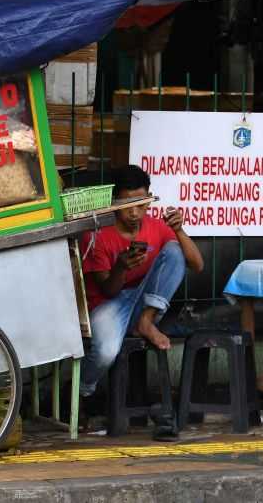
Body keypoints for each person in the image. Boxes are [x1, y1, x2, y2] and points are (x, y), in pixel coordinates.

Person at [79, 164, 204, 400]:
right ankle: (81, 393)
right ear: (115, 202)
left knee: (175, 251)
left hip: (146, 306)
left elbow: (197, 265)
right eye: (127, 205)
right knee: (106, 353)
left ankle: (145, 322)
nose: (134, 213)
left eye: (140, 204)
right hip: (109, 306)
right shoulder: (97, 235)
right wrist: (121, 267)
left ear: (148, 200)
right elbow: (108, 290)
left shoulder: (157, 226)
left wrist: (179, 231)